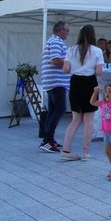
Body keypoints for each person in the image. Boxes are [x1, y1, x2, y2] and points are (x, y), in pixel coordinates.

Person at [61, 24, 104, 161]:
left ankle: (66, 150)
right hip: (90, 84)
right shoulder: (97, 51)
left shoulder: (71, 50)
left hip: (75, 83)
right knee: (88, 120)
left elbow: (66, 69)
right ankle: (85, 152)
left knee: (75, 119)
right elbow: (98, 72)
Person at [39, 21, 71, 153]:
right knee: (59, 109)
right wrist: (69, 65)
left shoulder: (52, 41)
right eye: (67, 30)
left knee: (53, 111)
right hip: (57, 82)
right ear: (60, 30)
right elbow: (56, 60)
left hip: (52, 82)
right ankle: (47, 140)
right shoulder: (56, 42)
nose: (68, 33)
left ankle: (49, 139)